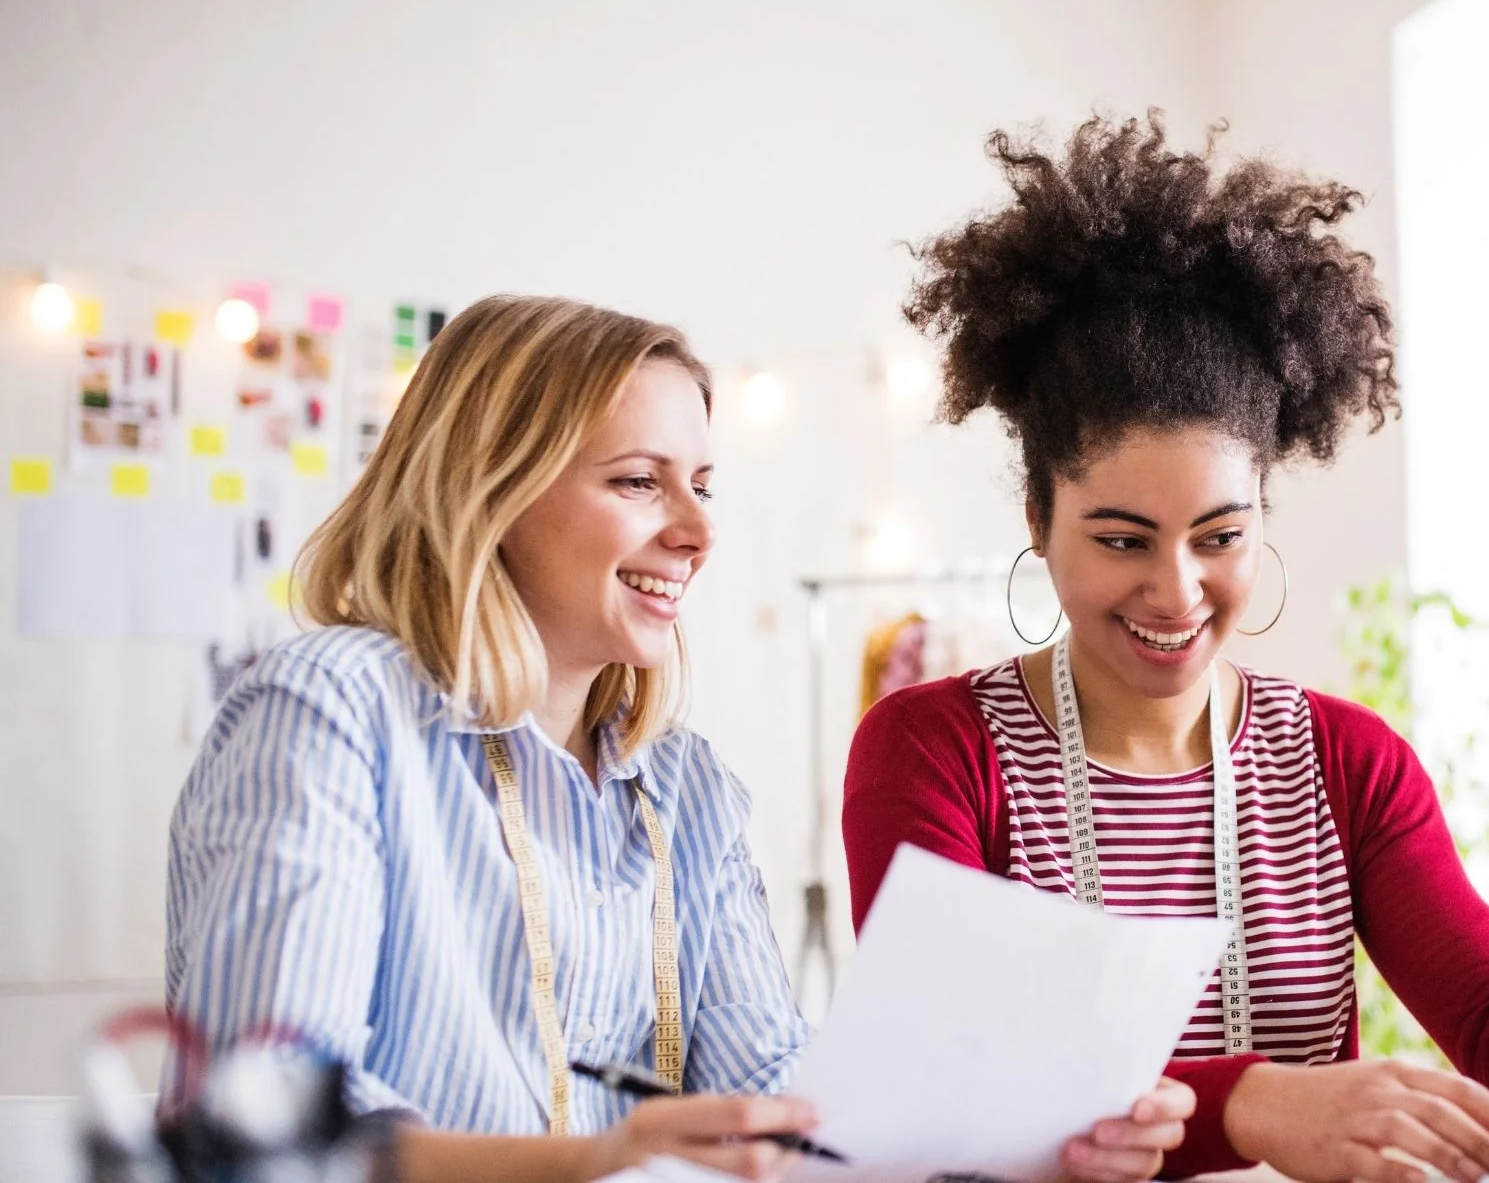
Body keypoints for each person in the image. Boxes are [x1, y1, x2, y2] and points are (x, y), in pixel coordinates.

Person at [843, 114, 1489, 1183]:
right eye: (1119, 539)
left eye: (1220, 536)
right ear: (1034, 514)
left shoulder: (1343, 762)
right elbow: (959, 1082)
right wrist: (1246, 1108)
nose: (1176, 590)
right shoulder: (930, 750)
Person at [165, 295, 1187, 1183]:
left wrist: (1035, 1144)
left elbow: (775, 1102)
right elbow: (259, 1133)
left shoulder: (684, 789)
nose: (697, 532)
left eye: (702, 484)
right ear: (491, 491)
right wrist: (598, 1163)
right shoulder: (330, 710)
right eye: (637, 481)